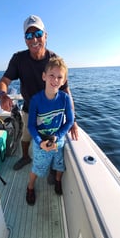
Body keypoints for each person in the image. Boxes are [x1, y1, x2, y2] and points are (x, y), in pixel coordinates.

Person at [0, 14, 78, 171]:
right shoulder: (18, 59)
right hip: (30, 109)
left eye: (38, 34)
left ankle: (51, 165)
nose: (34, 39)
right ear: (25, 39)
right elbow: (4, 81)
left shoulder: (54, 60)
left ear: (45, 36)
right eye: (29, 35)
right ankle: (25, 157)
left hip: (54, 111)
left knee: (52, 139)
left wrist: (73, 120)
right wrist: (3, 95)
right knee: (26, 136)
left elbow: (66, 91)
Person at [26, 57, 74, 205]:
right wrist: (40, 142)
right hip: (41, 140)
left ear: (64, 80)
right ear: (44, 76)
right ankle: (30, 187)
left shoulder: (65, 98)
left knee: (60, 164)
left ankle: (58, 180)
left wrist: (58, 136)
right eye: (52, 75)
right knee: (38, 168)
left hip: (58, 139)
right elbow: (31, 126)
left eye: (60, 77)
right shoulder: (36, 100)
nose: (55, 80)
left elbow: (70, 121)